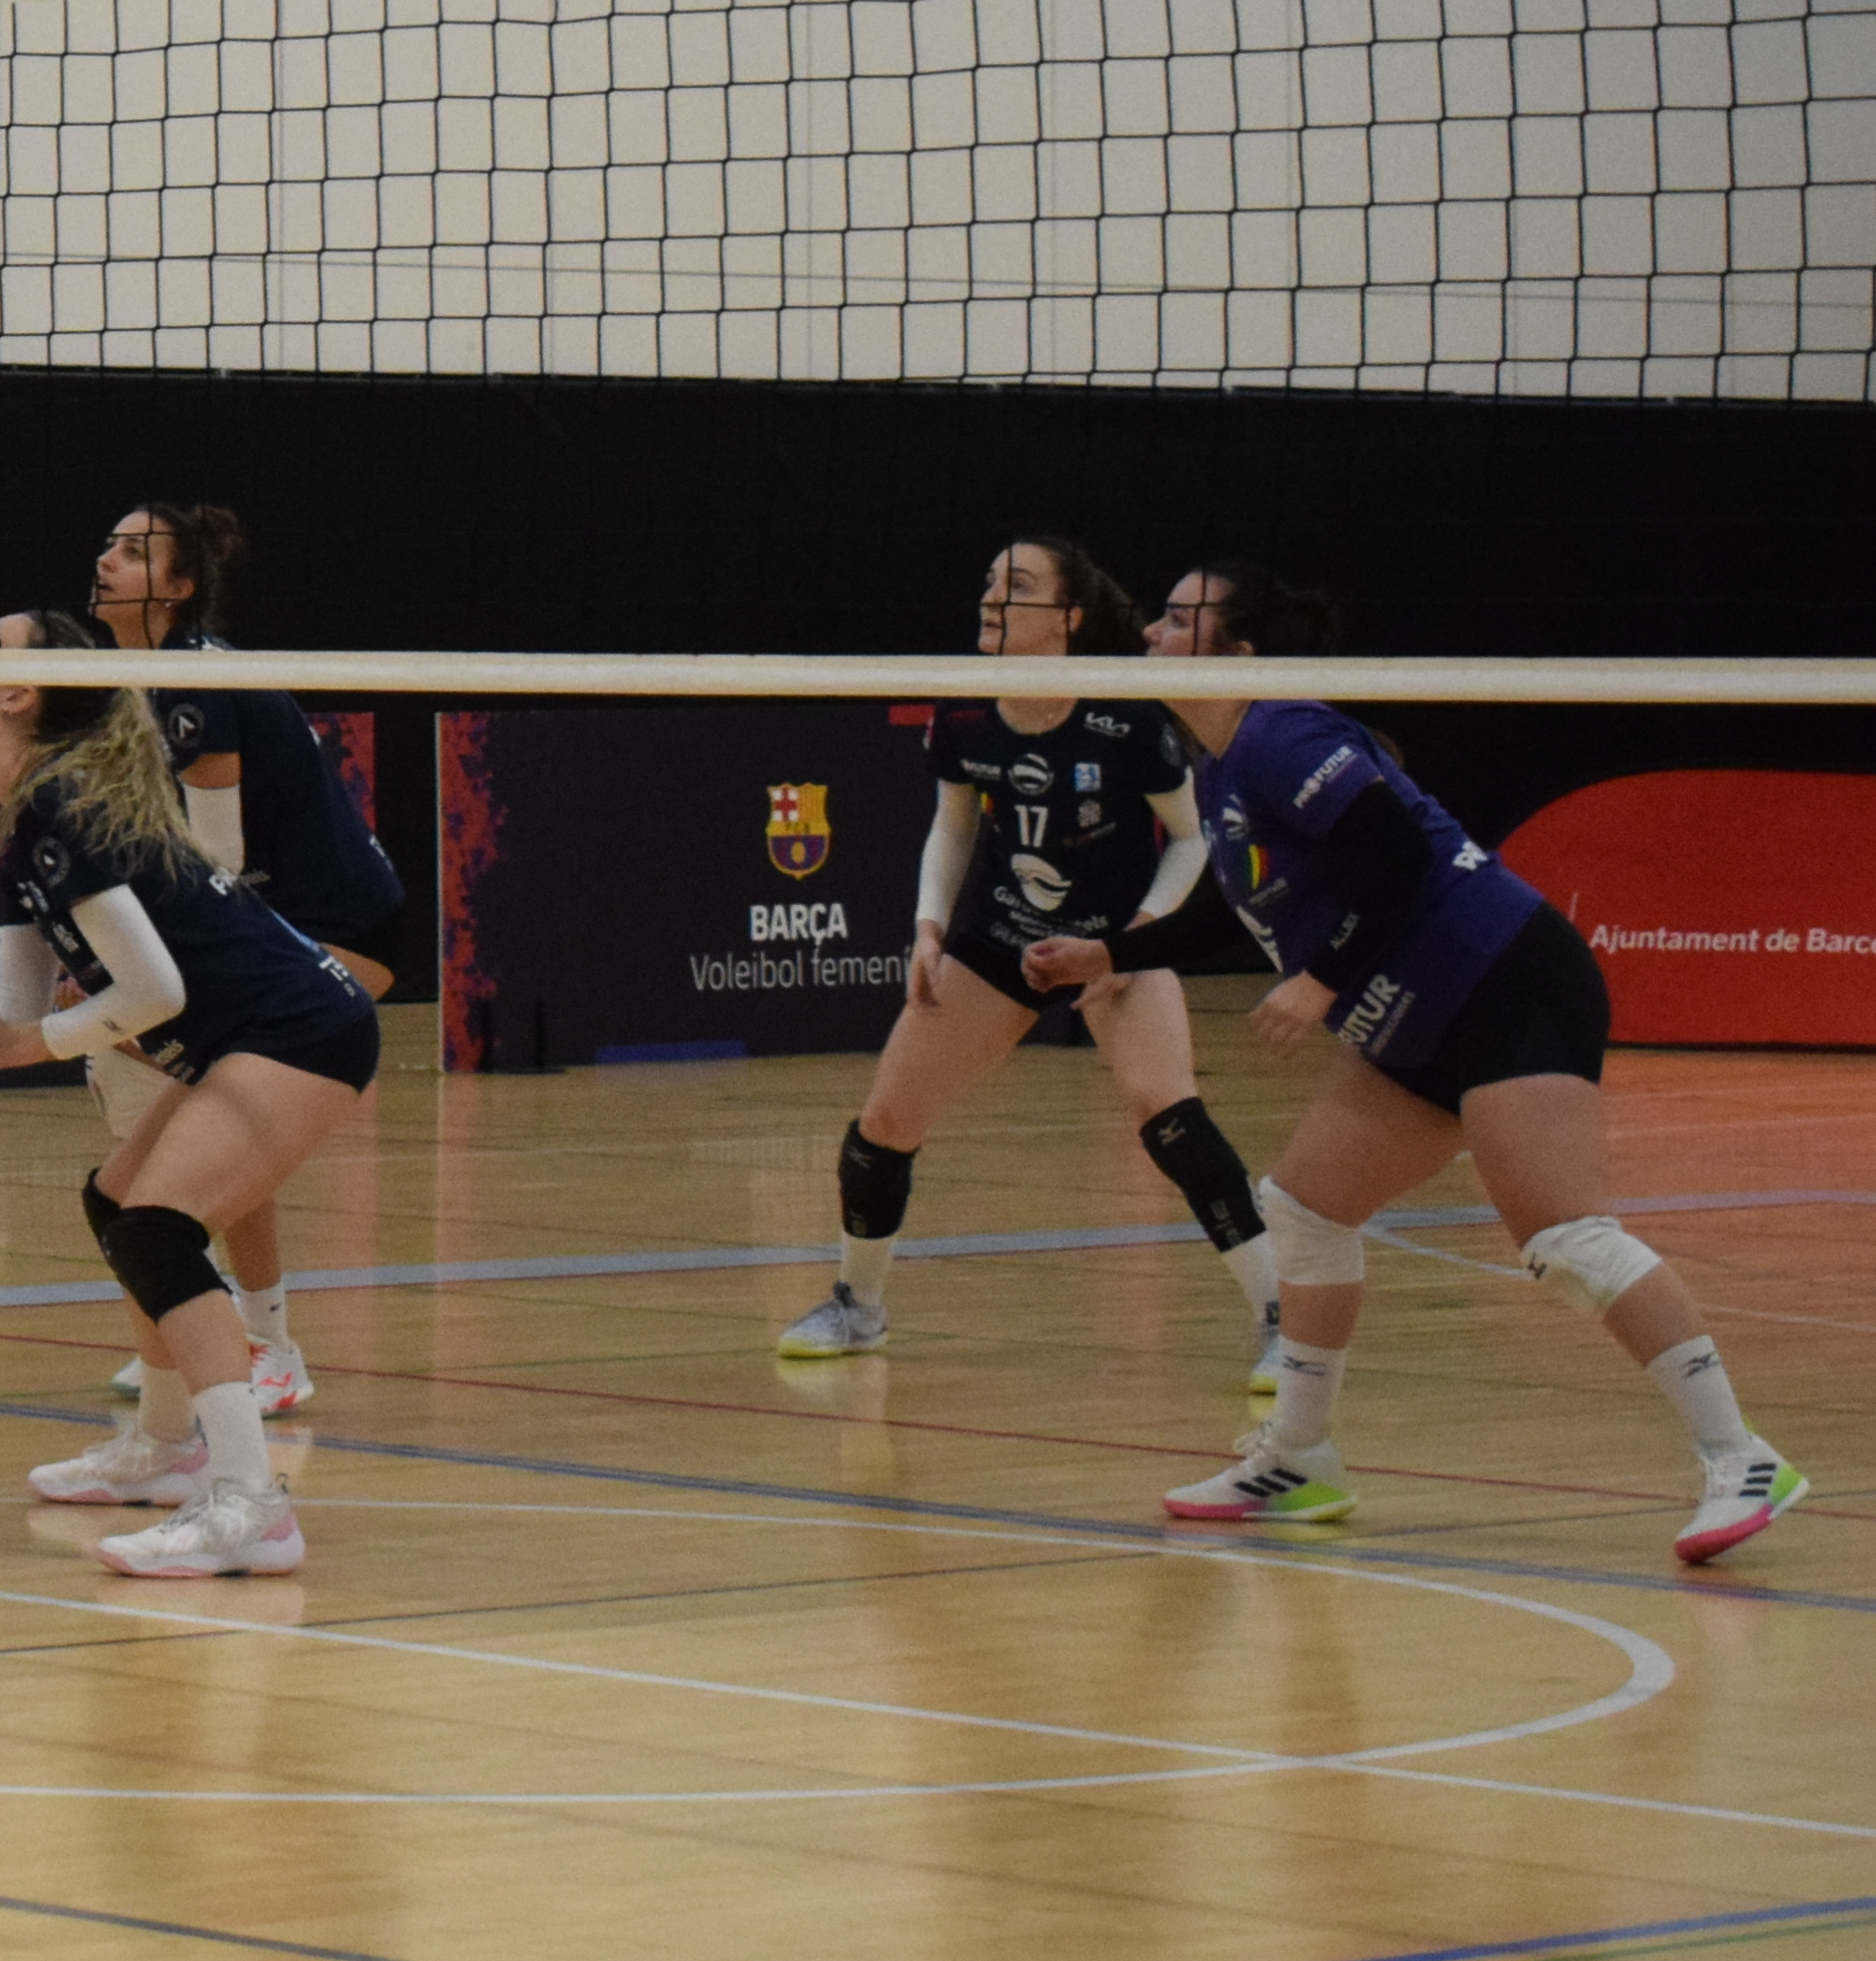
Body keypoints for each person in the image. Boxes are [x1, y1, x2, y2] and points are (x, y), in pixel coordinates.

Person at [1026, 564, 1808, 1565]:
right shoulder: (1217, 764)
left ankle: (1740, 1453)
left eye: (1180, 621)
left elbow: (1396, 853)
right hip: (1413, 1014)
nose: (1151, 637)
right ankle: (1300, 1456)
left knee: (1564, 1236)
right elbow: (1237, 904)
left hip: (1503, 979)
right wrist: (1113, 953)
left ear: (1240, 653)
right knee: (1305, 1208)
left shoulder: (1282, 729)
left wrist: (1320, 979)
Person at [0, 614, 385, 1576]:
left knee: (157, 1225)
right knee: (117, 1204)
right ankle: (165, 1444)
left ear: (21, 694)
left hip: (300, 1025)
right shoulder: (23, 816)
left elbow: (153, 992)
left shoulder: (63, 803)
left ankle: (252, 1502)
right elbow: (6, 1019)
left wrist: (35, 1043)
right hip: (245, 1033)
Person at [774, 537, 1280, 1392]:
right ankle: (858, 1304)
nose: (991, 598)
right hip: (1003, 939)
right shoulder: (966, 710)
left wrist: (1135, 942)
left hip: (1114, 942)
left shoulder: (1129, 716)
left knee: (1171, 1117)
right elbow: (955, 823)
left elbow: (1192, 839)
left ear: (1068, 620)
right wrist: (928, 927)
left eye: (1017, 587)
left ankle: (1280, 1315)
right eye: (988, 583)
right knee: (881, 1130)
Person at [83, 501, 398, 1417]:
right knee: (192, 1117)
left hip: (330, 927)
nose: (107, 559)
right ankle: (204, 1337)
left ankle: (267, 1346)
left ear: (179, 588)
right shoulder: (127, 677)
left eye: (135, 552)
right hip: (278, 924)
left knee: (216, 1103)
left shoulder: (189, 683)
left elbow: (212, 865)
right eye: (108, 543)